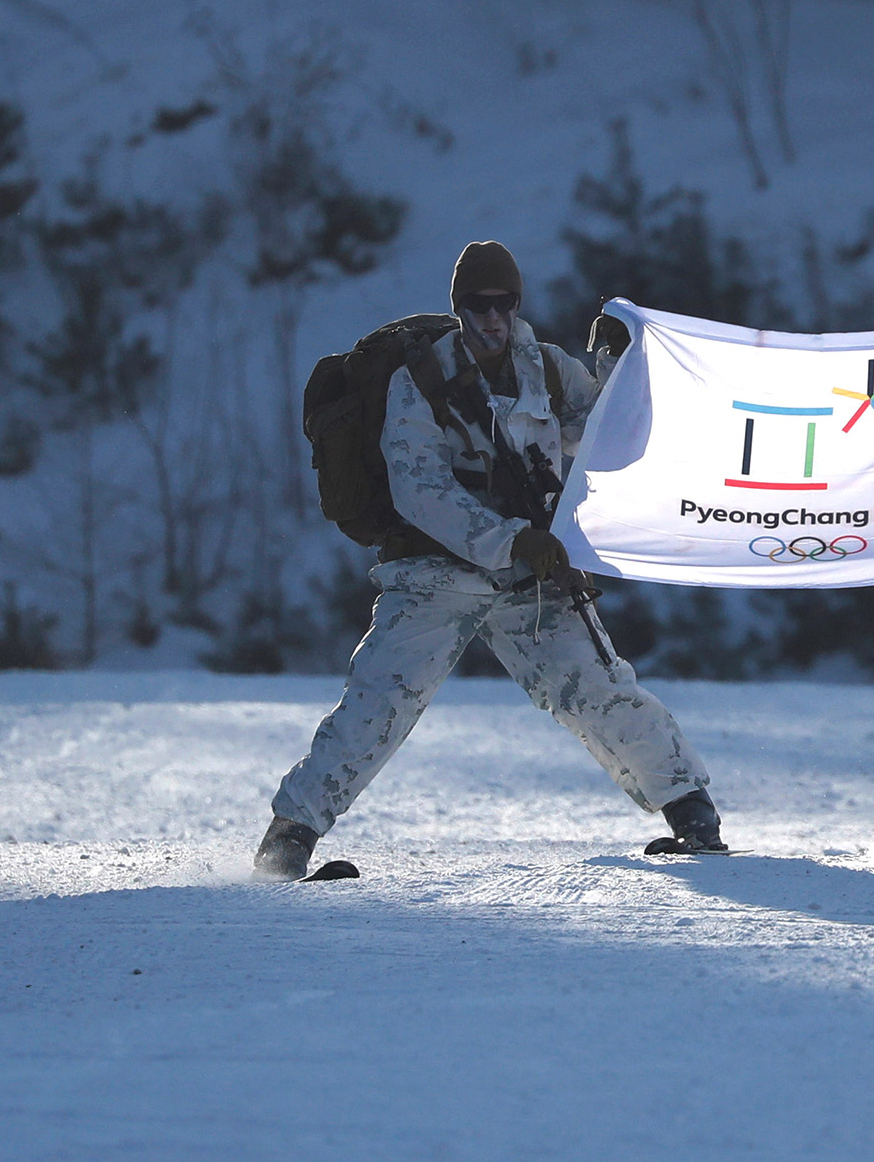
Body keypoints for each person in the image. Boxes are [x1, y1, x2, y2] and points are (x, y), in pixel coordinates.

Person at [254, 241, 723, 879]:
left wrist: (622, 369)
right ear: (459, 307)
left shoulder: (551, 371)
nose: (492, 319)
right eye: (478, 306)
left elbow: (613, 436)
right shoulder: (417, 382)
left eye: (504, 304)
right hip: (435, 573)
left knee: (600, 690)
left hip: (531, 577)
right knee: (379, 706)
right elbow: (421, 492)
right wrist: (510, 538)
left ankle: (693, 816)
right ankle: (288, 842)